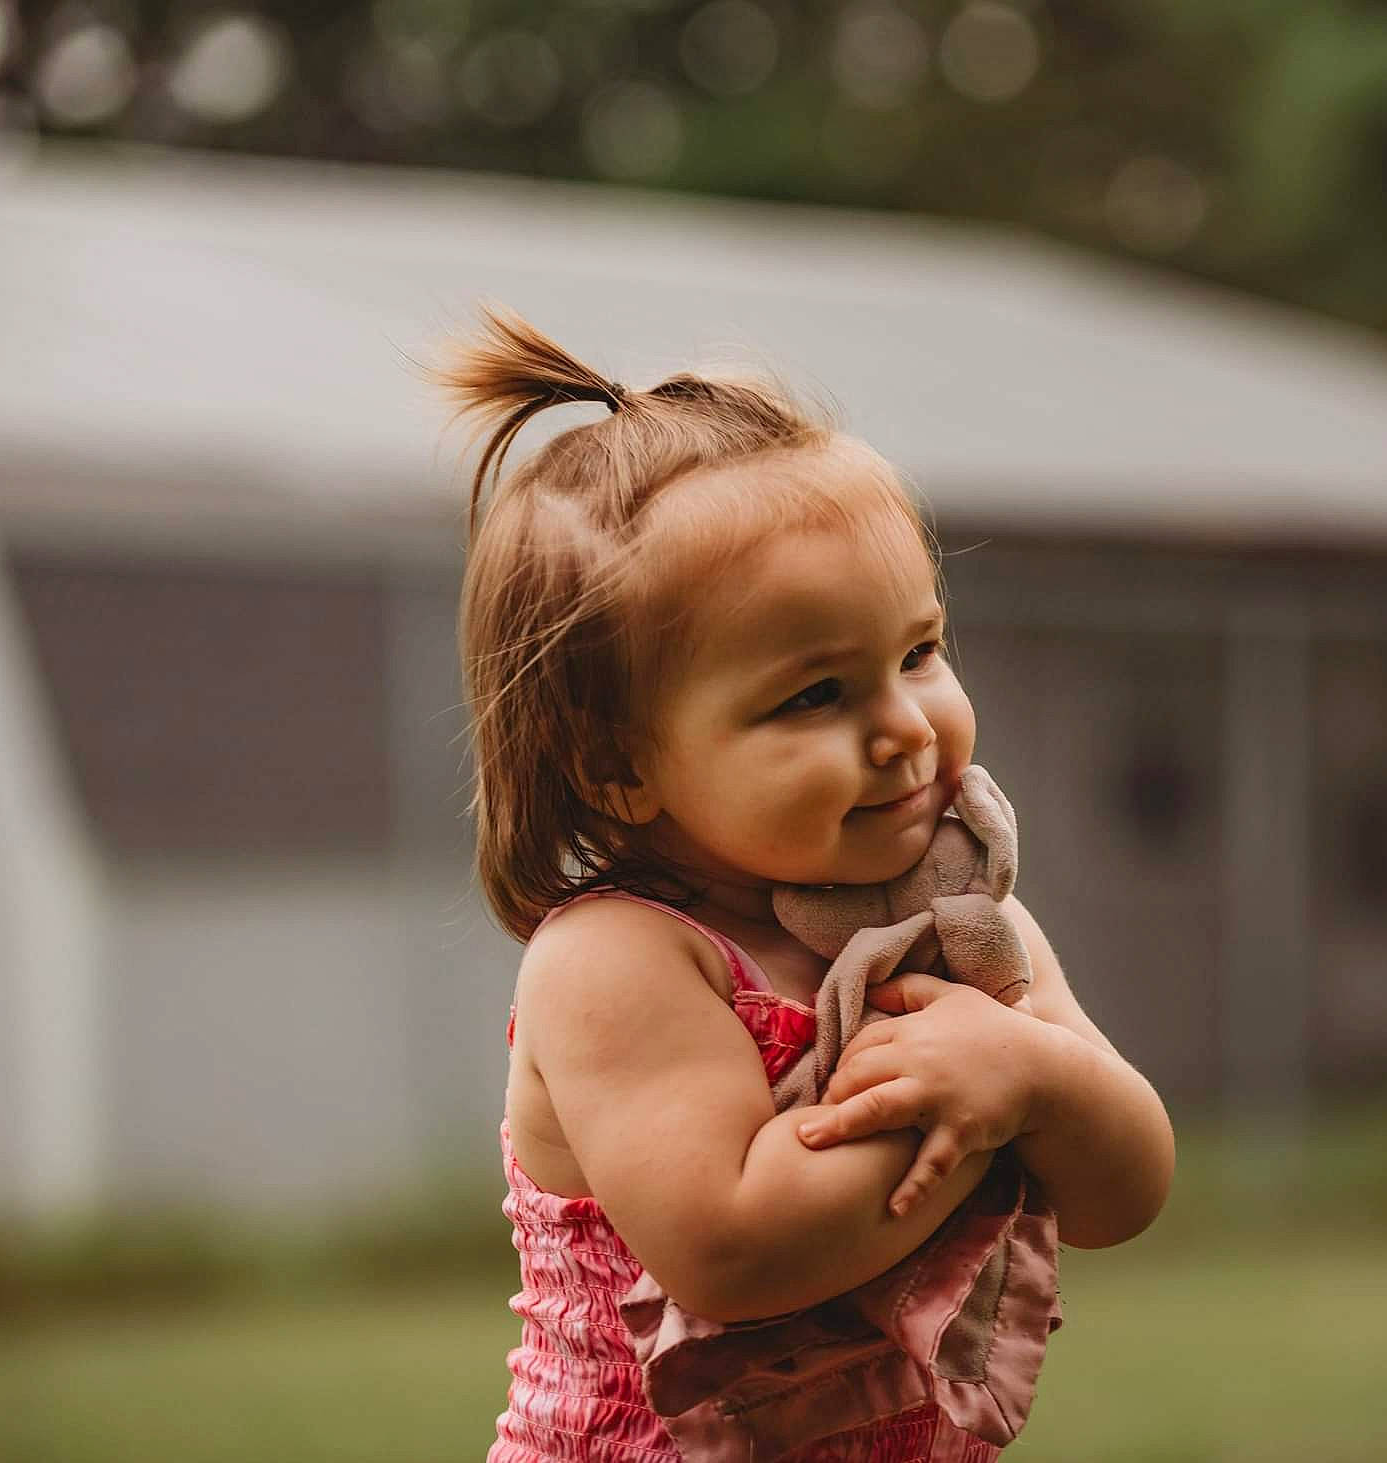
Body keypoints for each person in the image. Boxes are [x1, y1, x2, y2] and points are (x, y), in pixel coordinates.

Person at [441, 307, 1175, 1462]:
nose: (903, 727)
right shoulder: (621, 956)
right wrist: (981, 1104)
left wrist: (1033, 1070)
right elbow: (734, 1252)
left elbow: (1121, 1190)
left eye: (916, 652)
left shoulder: (963, 924)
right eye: (812, 696)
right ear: (616, 764)